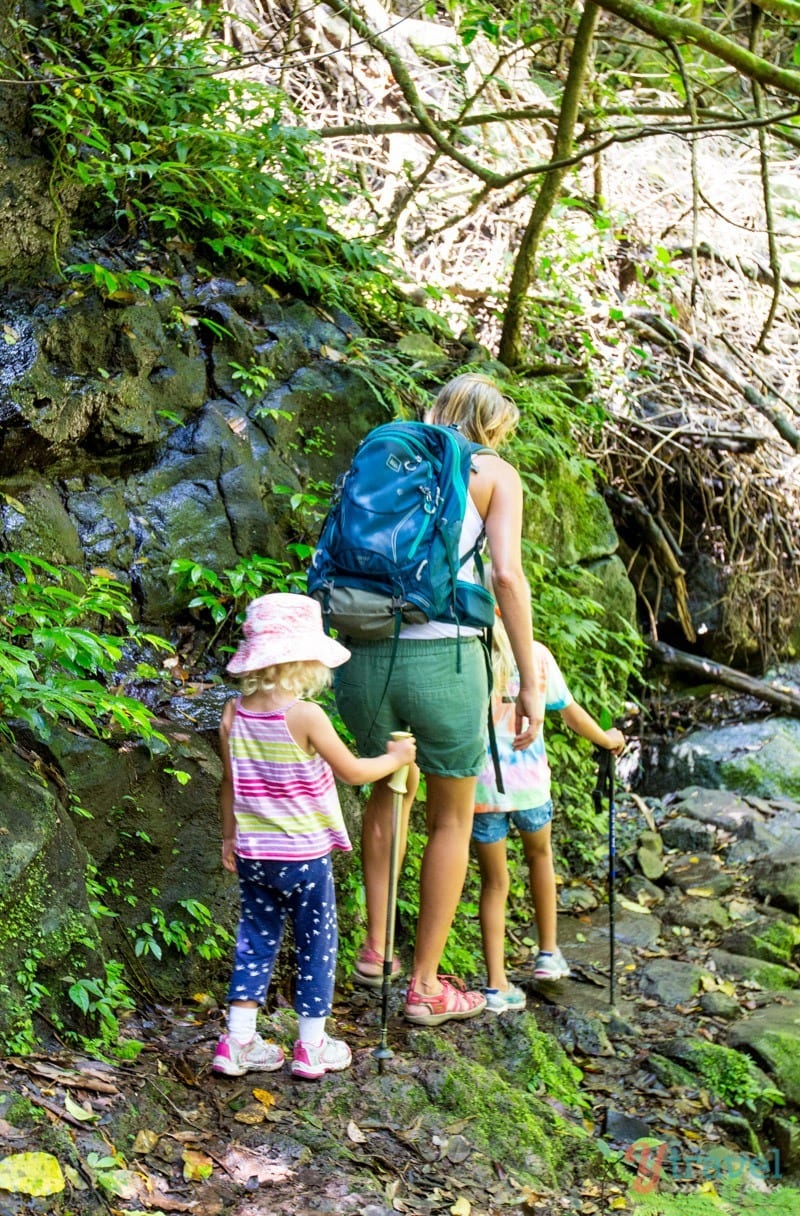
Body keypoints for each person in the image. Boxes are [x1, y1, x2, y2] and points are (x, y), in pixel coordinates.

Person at [334, 372, 547, 1027]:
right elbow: (506, 576)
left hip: (363, 649)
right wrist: (529, 681)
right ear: (491, 424)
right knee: (452, 817)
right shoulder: (492, 472)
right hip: (448, 658)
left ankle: (376, 949)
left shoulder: (387, 455)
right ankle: (424, 986)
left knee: (386, 790)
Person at [211, 592, 416, 1079]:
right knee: (316, 943)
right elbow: (352, 772)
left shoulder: (232, 713)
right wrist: (397, 759)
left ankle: (237, 1042)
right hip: (303, 857)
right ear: (303, 662)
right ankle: (312, 1045)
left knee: (256, 938)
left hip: (255, 853)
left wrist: (228, 839)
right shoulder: (305, 716)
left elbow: (229, 783)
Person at [472, 618, 625, 1012]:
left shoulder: (466, 658)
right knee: (540, 858)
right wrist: (608, 739)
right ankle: (547, 954)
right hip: (530, 787)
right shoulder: (535, 657)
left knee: (494, 883)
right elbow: (571, 714)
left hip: (482, 790)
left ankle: (495, 984)